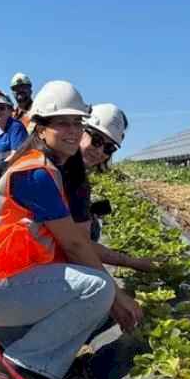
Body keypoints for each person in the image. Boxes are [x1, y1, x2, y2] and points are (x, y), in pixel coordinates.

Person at [0, 81, 145, 379]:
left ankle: (4, 336)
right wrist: (120, 293)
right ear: (40, 128)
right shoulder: (38, 173)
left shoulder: (49, 168)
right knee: (98, 289)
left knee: (99, 295)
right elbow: (75, 246)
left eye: (76, 123)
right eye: (62, 123)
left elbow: (72, 243)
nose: (73, 132)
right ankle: (25, 364)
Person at [67, 103, 156, 271]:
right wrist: (134, 263)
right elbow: (80, 246)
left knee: (91, 221)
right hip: (27, 264)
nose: (100, 151)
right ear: (81, 129)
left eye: (109, 147)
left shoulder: (74, 168)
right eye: (96, 140)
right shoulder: (67, 172)